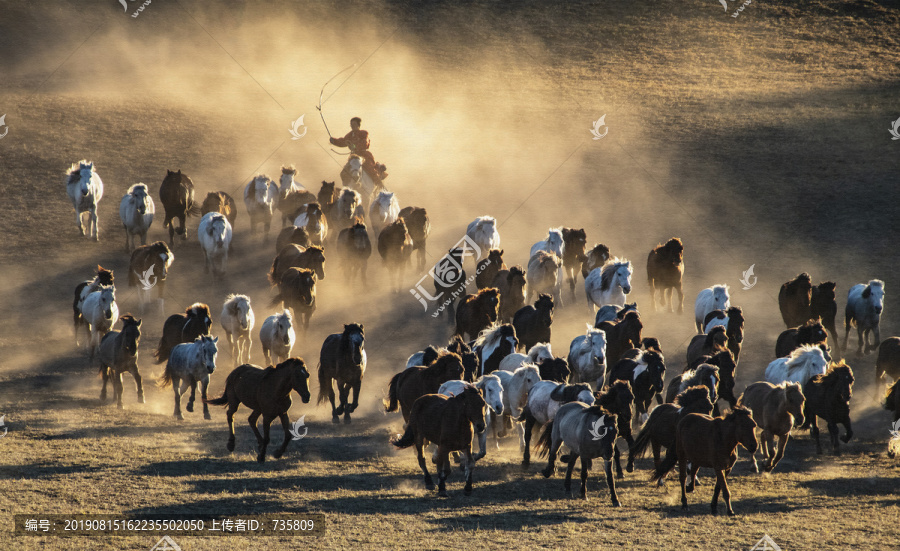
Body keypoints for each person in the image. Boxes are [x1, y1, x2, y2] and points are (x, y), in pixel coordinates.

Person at [330, 117, 388, 187]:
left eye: (354, 124)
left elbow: (365, 142)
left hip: (364, 156)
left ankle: (380, 186)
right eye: (351, 124)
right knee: (343, 173)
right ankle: (346, 189)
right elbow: (343, 141)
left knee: (371, 171)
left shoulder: (364, 133)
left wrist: (355, 146)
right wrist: (334, 141)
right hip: (354, 156)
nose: (352, 126)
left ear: (358, 125)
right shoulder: (350, 135)